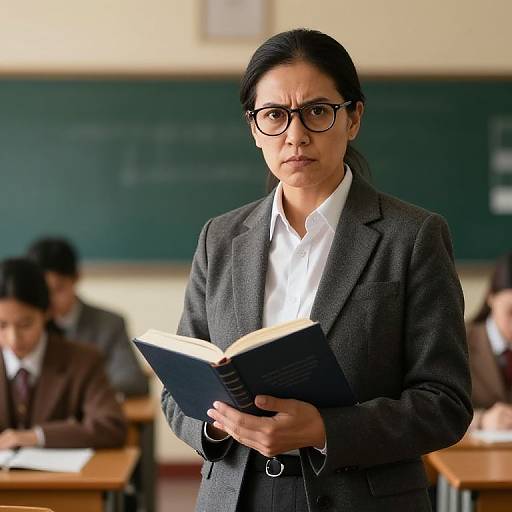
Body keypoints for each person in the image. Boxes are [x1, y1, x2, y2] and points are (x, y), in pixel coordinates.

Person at [161, 28, 472, 512]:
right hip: (235, 495)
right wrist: (215, 422)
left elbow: (445, 403)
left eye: (317, 111)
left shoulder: (413, 236)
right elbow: (177, 392)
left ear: (353, 118)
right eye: (274, 116)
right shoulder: (219, 238)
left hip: (360, 498)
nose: (295, 134)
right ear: (254, 127)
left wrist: (326, 429)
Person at [0, 257, 126, 449]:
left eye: (25, 325)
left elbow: (111, 426)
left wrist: (36, 436)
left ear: (47, 313)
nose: (13, 339)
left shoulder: (83, 360)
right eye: (1, 325)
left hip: (62, 478)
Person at [27, 237, 149, 398]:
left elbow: (131, 379)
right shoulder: (24, 326)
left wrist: (75, 393)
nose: (49, 299)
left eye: (58, 289)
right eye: (43, 290)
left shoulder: (109, 324)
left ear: (76, 277)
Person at [467, 252, 512, 430]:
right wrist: (481, 420)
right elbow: (432, 413)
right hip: (466, 454)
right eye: (511, 312)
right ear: (491, 297)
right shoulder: (458, 342)